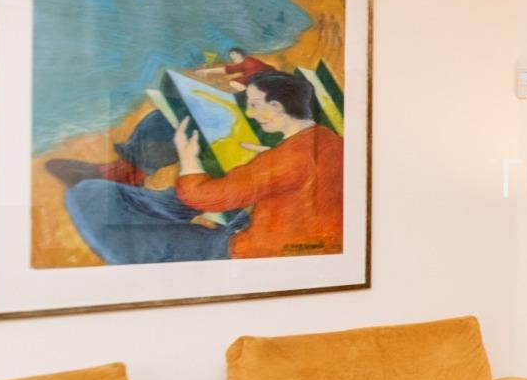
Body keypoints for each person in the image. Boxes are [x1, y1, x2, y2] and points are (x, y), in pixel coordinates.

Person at [64, 72, 343, 263]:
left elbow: (202, 196)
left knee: (88, 197)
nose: (250, 113)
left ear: (278, 106)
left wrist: (189, 160)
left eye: (255, 105)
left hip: (251, 251)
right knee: (167, 122)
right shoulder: (331, 141)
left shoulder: (287, 158)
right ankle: (128, 174)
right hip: (274, 228)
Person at [45, 47, 278, 187]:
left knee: (176, 124)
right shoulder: (259, 74)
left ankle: (125, 173)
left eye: (234, 57)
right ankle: (125, 171)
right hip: (252, 112)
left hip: (255, 127)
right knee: (166, 117)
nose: (234, 60)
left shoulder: (261, 75)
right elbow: (236, 80)